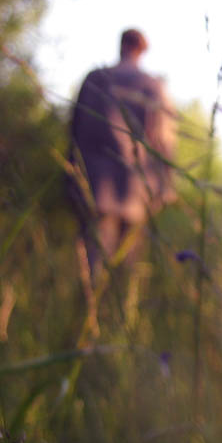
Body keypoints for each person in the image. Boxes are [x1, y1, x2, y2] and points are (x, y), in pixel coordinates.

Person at [68, 28, 176, 279]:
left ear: (121, 46)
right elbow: (164, 142)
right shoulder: (153, 87)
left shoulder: (96, 78)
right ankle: (113, 315)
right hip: (136, 193)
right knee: (126, 272)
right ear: (142, 51)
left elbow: (74, 129)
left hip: (95, 189)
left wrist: (71, 176)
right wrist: (165, 186)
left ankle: (88, 314)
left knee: (91, 269)